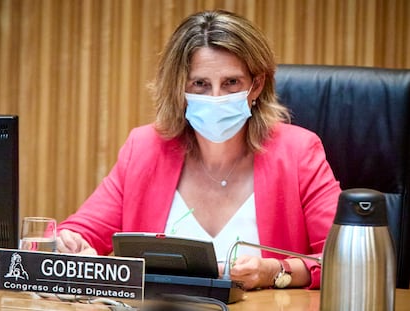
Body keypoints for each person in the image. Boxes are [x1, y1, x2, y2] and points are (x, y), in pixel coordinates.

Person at [57, 9, 341, 290]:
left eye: (231, 83)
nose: (215, 97)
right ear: (180, 88)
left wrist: (277, 271)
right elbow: (81, 232)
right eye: (200, 84)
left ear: (256, 86)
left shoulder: (298, 152)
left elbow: (341, 259)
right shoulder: (144, 149)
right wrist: (69, 243)